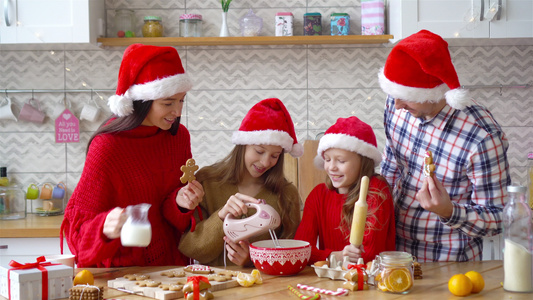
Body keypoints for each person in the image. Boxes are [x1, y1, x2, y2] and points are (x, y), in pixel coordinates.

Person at [61, 44, 204, 267]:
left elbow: (167, 212)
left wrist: (181, 202)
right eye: (168, 103)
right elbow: (78, 241)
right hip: (122, 274)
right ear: (142, 101)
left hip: (171, 269)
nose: (178, 112)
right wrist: (105, 227)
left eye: (181, 100)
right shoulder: (108, 147)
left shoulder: (179, 137)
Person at [378, 30, 511, 262]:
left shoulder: (481, 137)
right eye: (393, 93)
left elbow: (499, 218)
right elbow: (391, 167)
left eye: (405, 96)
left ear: (432, 92)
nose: (396, 104)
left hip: (446, 261)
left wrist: (449, 212)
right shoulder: (397, 103)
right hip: (392, 252)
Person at [179, 98, 303, 266]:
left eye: (275, 156)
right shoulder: (207, 181)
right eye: (259, 151)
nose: (266, 162)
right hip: (212, 286)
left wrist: (252, 261)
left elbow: (291, 256)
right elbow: (190, 248)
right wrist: (221, 216)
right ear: (243, 145)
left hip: (265, 290)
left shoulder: (286, 194)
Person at [294, 116, 395, 264]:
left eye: (341, 161)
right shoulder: (318, 195)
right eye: (327, 160)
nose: (331, 167)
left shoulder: (376, 191)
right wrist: (335, 256)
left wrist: (332, 258)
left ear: (363, 162)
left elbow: (370, 255)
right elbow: (299, 250)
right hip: (329, 282)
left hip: (370, 281)